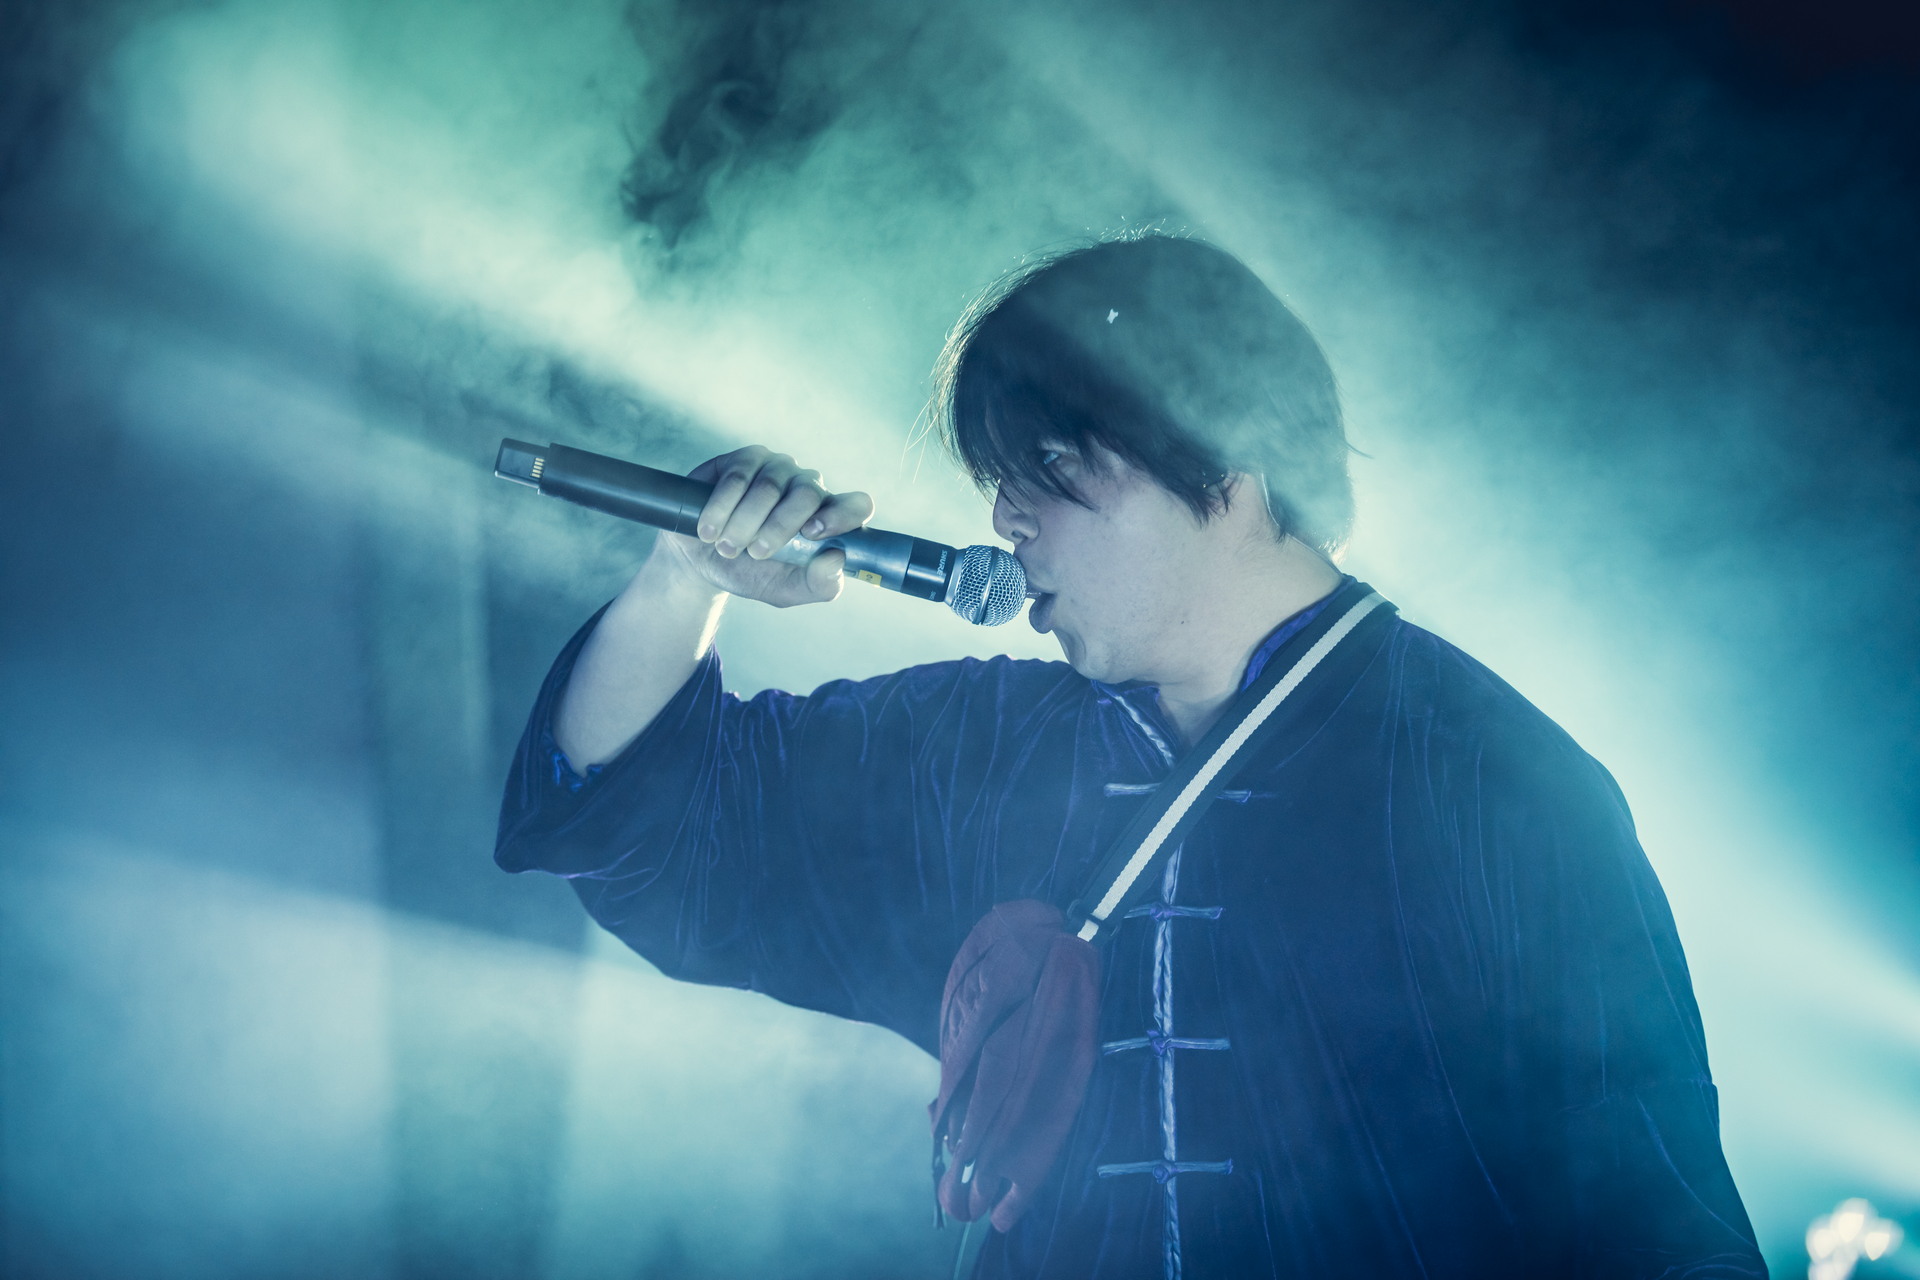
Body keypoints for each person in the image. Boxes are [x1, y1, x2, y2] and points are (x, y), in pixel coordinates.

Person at [496, 235, 1766, 1278]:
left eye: (1049, 468)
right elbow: (650, 826)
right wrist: (683, 578)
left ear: (1228, 457)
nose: (1005, 517)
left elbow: (1657, 1226)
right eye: (998, 479)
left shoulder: (1500, 785)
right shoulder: (976, 746)